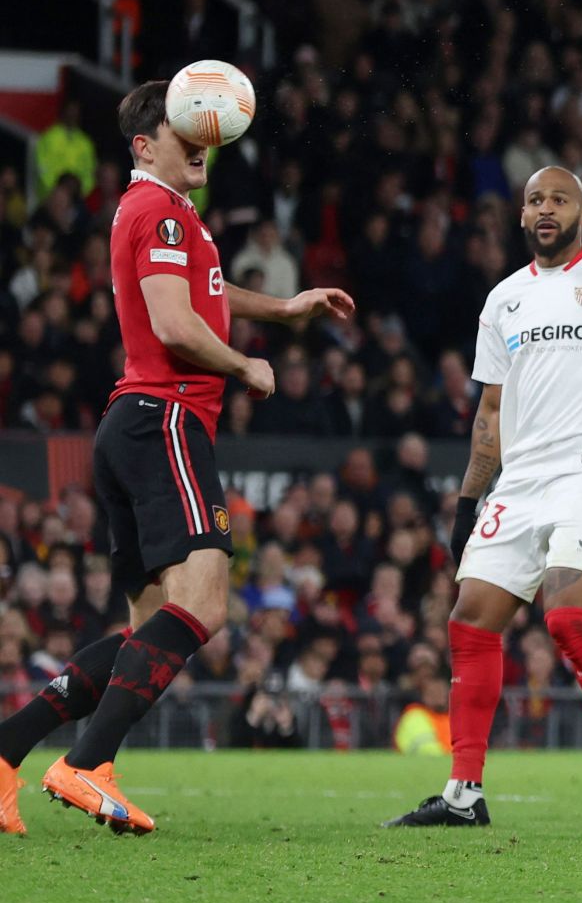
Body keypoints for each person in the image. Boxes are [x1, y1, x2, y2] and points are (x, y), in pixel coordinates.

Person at [1, 81, 352, 837]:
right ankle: (87, 765)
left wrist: (284, 307)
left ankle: (7, 753)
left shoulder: (169, 212)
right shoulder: (156, 208)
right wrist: (244, 365)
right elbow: (175, 322)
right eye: (183, 127)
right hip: (164, 419)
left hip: (132, 426)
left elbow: (204, 296)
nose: (203, 137)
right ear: (143, 145)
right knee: (209, 603)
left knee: (148, 629)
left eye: (205, 127)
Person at [384, 166, 582, 831]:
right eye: (534, 200)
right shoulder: (503, 300)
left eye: (559, 199)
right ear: (522, 217)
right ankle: (464, 794)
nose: (545, 209)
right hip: (519, 479)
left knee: (563, 616)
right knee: (469, 618)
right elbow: (490, 412)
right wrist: (469, 502)